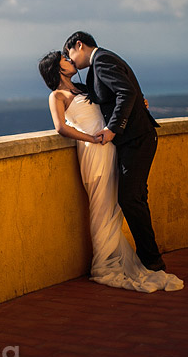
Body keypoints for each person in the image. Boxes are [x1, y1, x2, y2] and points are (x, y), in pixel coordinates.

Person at [38, 50, 183, 293]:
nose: (70, 60)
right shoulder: (56, 96)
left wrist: (139, 105)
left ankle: (114, 257)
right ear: (56, 68)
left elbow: (114, 102)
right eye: (65, 59)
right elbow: (61, 128)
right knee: (100, 204)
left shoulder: (84, 89)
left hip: (110, 147)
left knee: (115, 203)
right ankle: (104, 264)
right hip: (94, 151)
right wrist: (90, 139)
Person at [62, 31, 169, 272]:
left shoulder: (102, 60)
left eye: (70, 54)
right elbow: (121, 94)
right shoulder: (99, 65)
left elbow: (126, 92)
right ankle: (152, 258)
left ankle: (151, 259)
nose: (72, 62)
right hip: (133, 140)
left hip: (137, 139)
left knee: (130, 198)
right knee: (135, 197)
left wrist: (112, 129)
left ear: (79, 45)